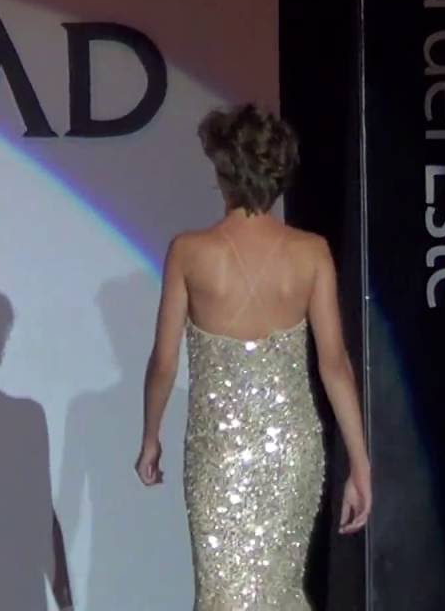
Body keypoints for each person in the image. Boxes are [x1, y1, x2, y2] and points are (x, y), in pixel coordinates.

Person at [136, 103, 371, 609]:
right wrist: (360, 462)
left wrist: (150, 437)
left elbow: (163, 363)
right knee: (276, 591)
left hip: (217, 452)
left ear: (224, 172)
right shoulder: (311, 252)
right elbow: (335, 365)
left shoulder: (189, 252)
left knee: (226, 594)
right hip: (291, 451)